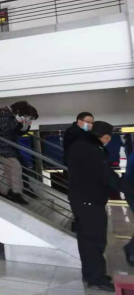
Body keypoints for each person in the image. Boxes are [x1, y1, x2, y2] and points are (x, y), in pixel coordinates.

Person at [68, 121, 122, 292]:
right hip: (89, 201)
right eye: (109, 137)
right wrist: (126, 187)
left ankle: (91, 274)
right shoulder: (91, 149)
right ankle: (96, 279)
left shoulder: (82, 145)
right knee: (95, 241)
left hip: (83, 200)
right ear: (105, 136)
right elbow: (106, 174)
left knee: (87, 240)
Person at [0, 101, 37, 205]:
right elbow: (6, 129)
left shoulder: (12, 116)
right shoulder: (2, 113)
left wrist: (27, 125)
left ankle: (2, 193)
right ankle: (16, 193)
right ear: (19, 110)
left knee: (9, 171)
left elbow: (18, 132)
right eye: (26, 116)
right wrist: (17, 120)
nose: (26, 118)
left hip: (7, 146)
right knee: (16, 167)